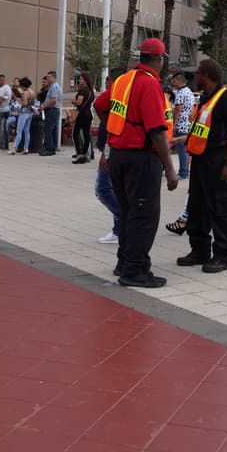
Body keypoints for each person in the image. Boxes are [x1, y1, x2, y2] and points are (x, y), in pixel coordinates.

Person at [93, 38, 179, 288]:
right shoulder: (149, 84)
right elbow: (157, 131)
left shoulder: (124, 80)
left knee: (130, 212)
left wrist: (113, 133)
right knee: (144, 216)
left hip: (119, 156)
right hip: (141, 159)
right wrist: (171, 170)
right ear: (160, 59)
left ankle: (124, 262)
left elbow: (99, 105)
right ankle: (135, 271)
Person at [177, 58, 227, 273]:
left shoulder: (226, 99)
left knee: (220, 208)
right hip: (201, 161)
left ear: (206, 75)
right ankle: (200, 250)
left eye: (197, 73)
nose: (194, 76)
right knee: (197, 207)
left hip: (218, 161)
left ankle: (222, 254)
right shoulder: (206, 98)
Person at [93, 68, 126, 245]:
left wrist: (106, 153)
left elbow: (114, 129)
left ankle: (123, 220)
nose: (107, 83)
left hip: (113, 150)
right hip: (110, 149)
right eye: (106, 80)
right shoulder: (111, 98)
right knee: (112, 190)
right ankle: (119, 228)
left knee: (103, 190)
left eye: (110, 80)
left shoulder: (118, 98)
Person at [71, 72, 96, 163]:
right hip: (88, 113)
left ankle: (79, 153)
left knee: (75, 133)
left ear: (85, 80)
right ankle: (85, 154)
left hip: (81, 114)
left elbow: (79, 103)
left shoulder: (82, 90)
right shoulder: (91, 90)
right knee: (86, 134)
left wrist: (74, 101)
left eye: (81, 79)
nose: (79, 80)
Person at [38, 70, 62, 156]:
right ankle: (53, 148)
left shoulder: (54, 87)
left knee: (48, 129)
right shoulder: (54, 86)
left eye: (49, 77)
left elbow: (54, 100)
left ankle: (49, 149)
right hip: (54, 110)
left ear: (54, 77)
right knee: (53, 130)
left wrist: (43, 106)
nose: (47, 78)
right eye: (47, 77)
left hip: (52, 110)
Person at [10, 77, 35, 154]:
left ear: (22, 85)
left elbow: (24, 103)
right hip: (30, 113)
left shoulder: (25, 93)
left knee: (19, 131)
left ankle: (14, 148)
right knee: (27, 131)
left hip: (23, 113)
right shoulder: (32, 92)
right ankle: (26, 148)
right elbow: (32, 102)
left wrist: (16, 98)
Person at [0, 74, 12, 149]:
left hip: (1, 111)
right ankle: (6, 145)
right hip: (7, 109)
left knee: (1, 128)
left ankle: (1, 144)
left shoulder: (2, 89)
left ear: (1, 80)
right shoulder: (8, 88)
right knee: (6, 128)